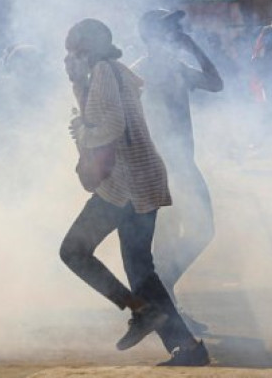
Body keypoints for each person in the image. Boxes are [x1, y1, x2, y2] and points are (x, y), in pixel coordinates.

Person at [59, 18, 209, 366]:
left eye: (73, 51)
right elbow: (99, 115)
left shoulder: (104, 73)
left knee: (74, 250)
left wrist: (82, 132)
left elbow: (109, 126)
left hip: (126, 185)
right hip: (138, 180)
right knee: (140, 268)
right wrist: (77, 85)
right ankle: (186, 346)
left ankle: (142, 311)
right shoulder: (106, 72)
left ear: (87, 49)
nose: (69, 58)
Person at [131, 9, 223, 333]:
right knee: (171, 239)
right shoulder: (138, 74)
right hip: (160, 167)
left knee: (199, 231)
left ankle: (163, 301)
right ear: (153, 35)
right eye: (169, 28)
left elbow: (216, 83)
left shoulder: (175, 68)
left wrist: (193, 46)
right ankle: (165, 307)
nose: (175, 33)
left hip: (181, 164)